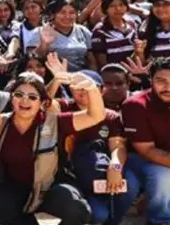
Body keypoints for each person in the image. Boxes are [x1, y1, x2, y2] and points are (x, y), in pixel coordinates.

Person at [0, 71, 106, 225]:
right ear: (11, 98)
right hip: (13, 188)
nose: (24, 100)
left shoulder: (56, 122)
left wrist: (91, 87)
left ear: (42, 103)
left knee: (76, 208)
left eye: (33, 97)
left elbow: (96, 116)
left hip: (50, 187)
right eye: (19, 94)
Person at [60, 70, 140, 225]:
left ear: (101, 90)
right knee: (97, 215)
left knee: (129, 186)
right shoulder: (64, 108)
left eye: (89, 87)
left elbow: (118, 146)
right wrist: (57, 79)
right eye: (77, 88)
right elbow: (46, 104)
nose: (83, 92)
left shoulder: (110, 116)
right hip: (70, 174)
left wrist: (115, 166)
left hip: (98, 172)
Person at [121, 55, 170, 224]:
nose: (169, 87)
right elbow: (147, 150)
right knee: (164, 174)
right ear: (151, 80)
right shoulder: (135, 105)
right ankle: (160, 219)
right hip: (143, 160)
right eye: (161, 80)